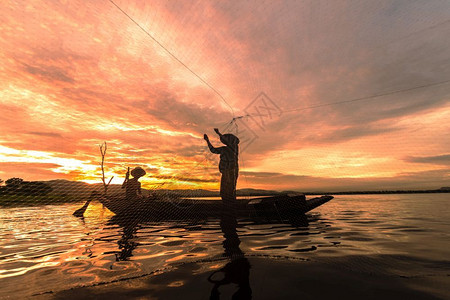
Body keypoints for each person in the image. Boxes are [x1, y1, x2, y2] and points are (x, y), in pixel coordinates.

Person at [204, 128, 240, 206]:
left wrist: (218, 133)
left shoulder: (234, 147)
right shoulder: (223, 149)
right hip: (225, 172)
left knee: (230, 189)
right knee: (224, 190)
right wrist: (207, 140)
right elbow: (213, 150)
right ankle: (226, 204)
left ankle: (230, 205)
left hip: (231, 171)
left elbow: (226, 141)